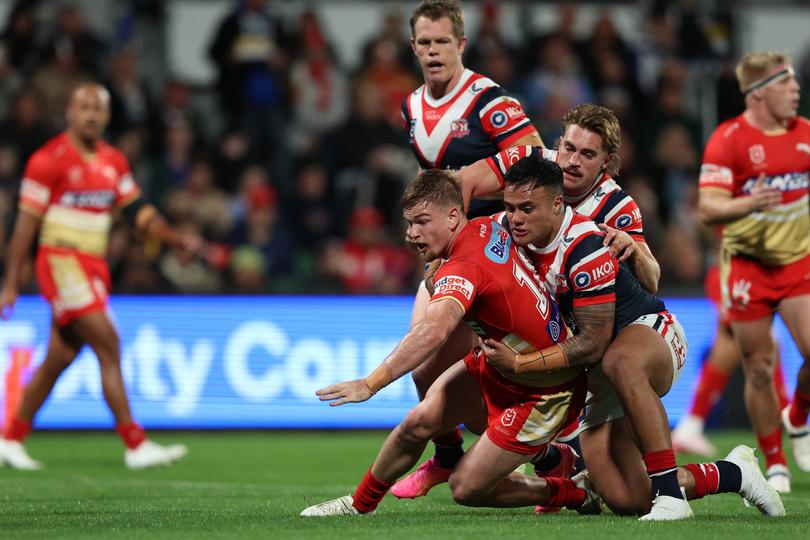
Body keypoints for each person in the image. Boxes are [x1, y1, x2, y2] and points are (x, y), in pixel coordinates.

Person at [482, 154, 783, 520]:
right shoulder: (504, 232)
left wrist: (520, 363)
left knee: (619, 360)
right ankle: (734, 473)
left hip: (648, 332)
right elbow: (467, 245)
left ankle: (672, 497)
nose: (515, 218)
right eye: (510, 208)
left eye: (526, 208)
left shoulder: (582, 242)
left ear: (557, 204)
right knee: (630, 499)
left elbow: (594, 341)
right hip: (600, 373)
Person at [392, 104, 660, 503]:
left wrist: (636, 251)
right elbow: (461, 181)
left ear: (609, 162)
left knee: (625, 495)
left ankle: (557, 459)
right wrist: (445, 248)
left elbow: (651, 280)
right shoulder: (530, 161)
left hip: (567, 333)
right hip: (498, 291)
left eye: (588, 155)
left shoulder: (617, 207)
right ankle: (449, 456)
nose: (571, 161)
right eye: (568, 147)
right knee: (426, 369)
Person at [301, 169, 599, 516]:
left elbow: (433, 332)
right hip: (500, 363)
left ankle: (573, 492)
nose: (412, 234)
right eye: (409, 223)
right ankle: (358, 505)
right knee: (417, 423)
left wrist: (371, 384)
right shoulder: (487, 226)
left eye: (423, 222)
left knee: (466, 488)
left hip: (545, 391)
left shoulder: (464, 266)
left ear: (454, 215)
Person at [0, 83, 199, 470]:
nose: (91, 115)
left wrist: (175, 239)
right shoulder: (48, 160)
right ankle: (135, 444)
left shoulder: (114, 161)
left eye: (98, 108)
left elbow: (139, 212)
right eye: (84, 107)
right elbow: (25, 226)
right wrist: (10, 283)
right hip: (60, 261)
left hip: (92, 265)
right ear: (69, 113)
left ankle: (10, 438)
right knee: (108, 342)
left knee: (59, 357)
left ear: (107, 116)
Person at [393, 0, 544, 495]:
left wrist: (478, 178)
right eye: (424, 43)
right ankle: (450, 455)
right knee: (425, 366)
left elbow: (538, 157)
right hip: (449, 252)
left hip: (497, 249)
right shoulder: (411, 106)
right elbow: (432, 178)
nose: (433, 51)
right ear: (413, 46)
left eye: (442, 42)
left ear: (460, 44)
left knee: (478, 365)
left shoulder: (489, 101)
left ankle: (546, 457)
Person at [697, 51, 810, 493]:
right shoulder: (729, 140)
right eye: (788, 83)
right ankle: (776, 461)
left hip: (798, 263)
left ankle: (798, 415)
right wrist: (749, 203)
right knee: (759, 368)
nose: (797, 90)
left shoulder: (804, 135)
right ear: (760, 92)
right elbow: (708, 208)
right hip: (748, 269)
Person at [671, 262, 789, 457]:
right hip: (738, 287)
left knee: (750, 346)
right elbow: (727, 318)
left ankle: (690, 425)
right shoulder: (724, 270)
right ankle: (790, 420)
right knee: (756, 344)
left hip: (751, 285)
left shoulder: (759, 266)